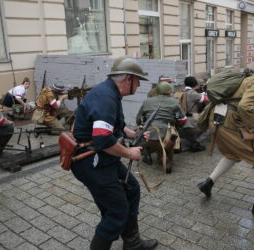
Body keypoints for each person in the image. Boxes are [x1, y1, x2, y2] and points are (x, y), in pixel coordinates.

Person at [71, 56, 158, 250]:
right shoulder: (106, 97)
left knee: (131, 188)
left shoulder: (110, 92)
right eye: (138, 80)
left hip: (102, 157)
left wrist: (132, 132)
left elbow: (112, 126)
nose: (138, 85)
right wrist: (129, 152)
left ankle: (132, 242)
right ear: (128, 79)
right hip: (91, 162)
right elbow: (102, 139)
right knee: (116, 212)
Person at [197, 60, 254, 217]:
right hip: (230, 124)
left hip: (216, 119)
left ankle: (207, 183)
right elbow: (244, 106)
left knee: (233, 154)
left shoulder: (246, 78)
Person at [136, 81, 187, 173]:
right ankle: (166, 158)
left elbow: (138, 119)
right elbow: (183, 120)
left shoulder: (147, 101)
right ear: (169, 92)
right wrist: (177, 126)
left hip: (149, 135)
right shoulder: (174, 102)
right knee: (168, 142)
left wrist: (141, 125)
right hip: (167, 135)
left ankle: (146, 154)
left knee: (142, 136)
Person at [178, 76, 209, 152]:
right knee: (212, 127)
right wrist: (205, 93)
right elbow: (206, 99)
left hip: (180, 124)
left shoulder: (180, 92)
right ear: (195, 84)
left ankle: (188, 144)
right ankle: (195, 143)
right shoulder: (192, 93)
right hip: (191, 124)